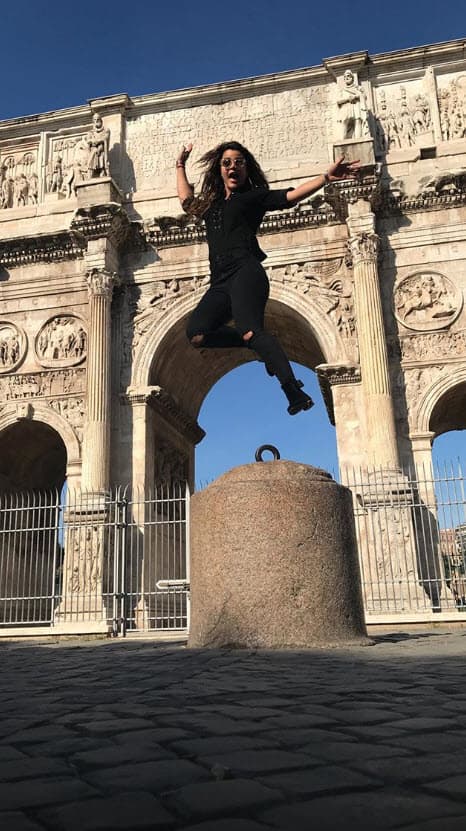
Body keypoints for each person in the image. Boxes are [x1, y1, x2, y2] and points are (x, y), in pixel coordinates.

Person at [176, 141, 359, 414]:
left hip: (246, 273)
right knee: (197, 333)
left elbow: (290, 197)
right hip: (220, 282)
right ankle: (258, 341)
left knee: (252, 329)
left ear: (246, 168)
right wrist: (180, 164)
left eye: (239, 162)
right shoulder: (210, 207)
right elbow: (186, 201)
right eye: (227, 162)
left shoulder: (253, 197)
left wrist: (326, 178)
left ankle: (293, 391)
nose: (233, 167)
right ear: (219, 170)